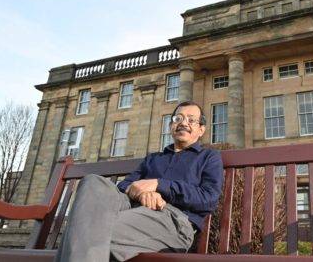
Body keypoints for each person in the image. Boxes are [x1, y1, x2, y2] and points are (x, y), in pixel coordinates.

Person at [56, 101, 223, 262]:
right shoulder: (153, 159)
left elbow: (208, 199)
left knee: (87, 228)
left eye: (191, 120)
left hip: (172, 220)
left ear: (201, 129)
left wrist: (160, 185)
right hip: (130, 209)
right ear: (171, 126)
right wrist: (144, 193)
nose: (183, 123)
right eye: (178, 118)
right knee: (92, 181)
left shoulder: (209, 157)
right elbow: (123, 186)